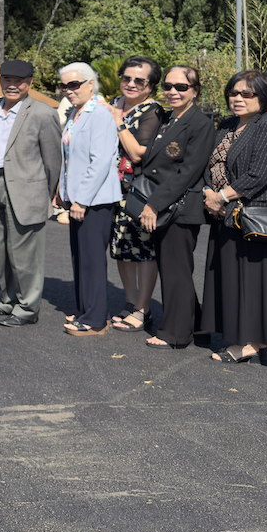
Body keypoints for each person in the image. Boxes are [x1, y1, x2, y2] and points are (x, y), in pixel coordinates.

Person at [201, 70, 267, 363]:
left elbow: (259, 173)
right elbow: (211, 163)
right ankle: (244, 336)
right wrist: (209, 193)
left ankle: (253, 342)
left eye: (247, 93)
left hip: (254, 215)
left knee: (254, 280)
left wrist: (222, 196)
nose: (238, 98)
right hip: (224, 214)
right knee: (231, 277)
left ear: (262, 96)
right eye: (233, 92)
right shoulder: (227, 125)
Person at [126, 66, 216, 350]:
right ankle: (197, 326)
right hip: (164, 204)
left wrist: (153, 204)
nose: (173, 92)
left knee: (175, 270)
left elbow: (188, 172)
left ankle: (175, 334)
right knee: (175, 269)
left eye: (181, 87)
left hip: (179, 208)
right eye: (167, 86)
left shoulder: (200, 124)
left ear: (195, 91)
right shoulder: (166, 118)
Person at [0, 60, 61, 327]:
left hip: (25, 191)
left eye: (19, 81)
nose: (12, 85)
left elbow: (53, 161)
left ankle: (27, 309)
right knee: (0, 250)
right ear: (0, 80)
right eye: (7, 79)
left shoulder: (43, 113)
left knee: (25, 255)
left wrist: (45, 194)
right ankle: (7, 302)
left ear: (30, 82)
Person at [55, 62, 123, 335]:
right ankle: (85, 310)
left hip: (94, 200)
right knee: (80, 257)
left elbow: (101, 161)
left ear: (90, 84)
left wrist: (81, 200)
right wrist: (63, 192)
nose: (68, 90)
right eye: (64, 86)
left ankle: (95, 320)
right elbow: (70, 158)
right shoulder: (76, 112)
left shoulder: (100, 114)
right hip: (78, 197)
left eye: (74, 84)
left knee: (92, 260)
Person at [104, 56, 164, 332]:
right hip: (110, 188)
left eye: (140, 80)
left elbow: (138, 153)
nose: (131, 84)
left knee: (143, 249)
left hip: (139, 191)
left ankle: (143, 309)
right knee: (121, 247)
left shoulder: (152, 110)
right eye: (126, 78)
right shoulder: (114, 102)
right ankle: (130, 302)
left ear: (151, 85)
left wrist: (117, 121)